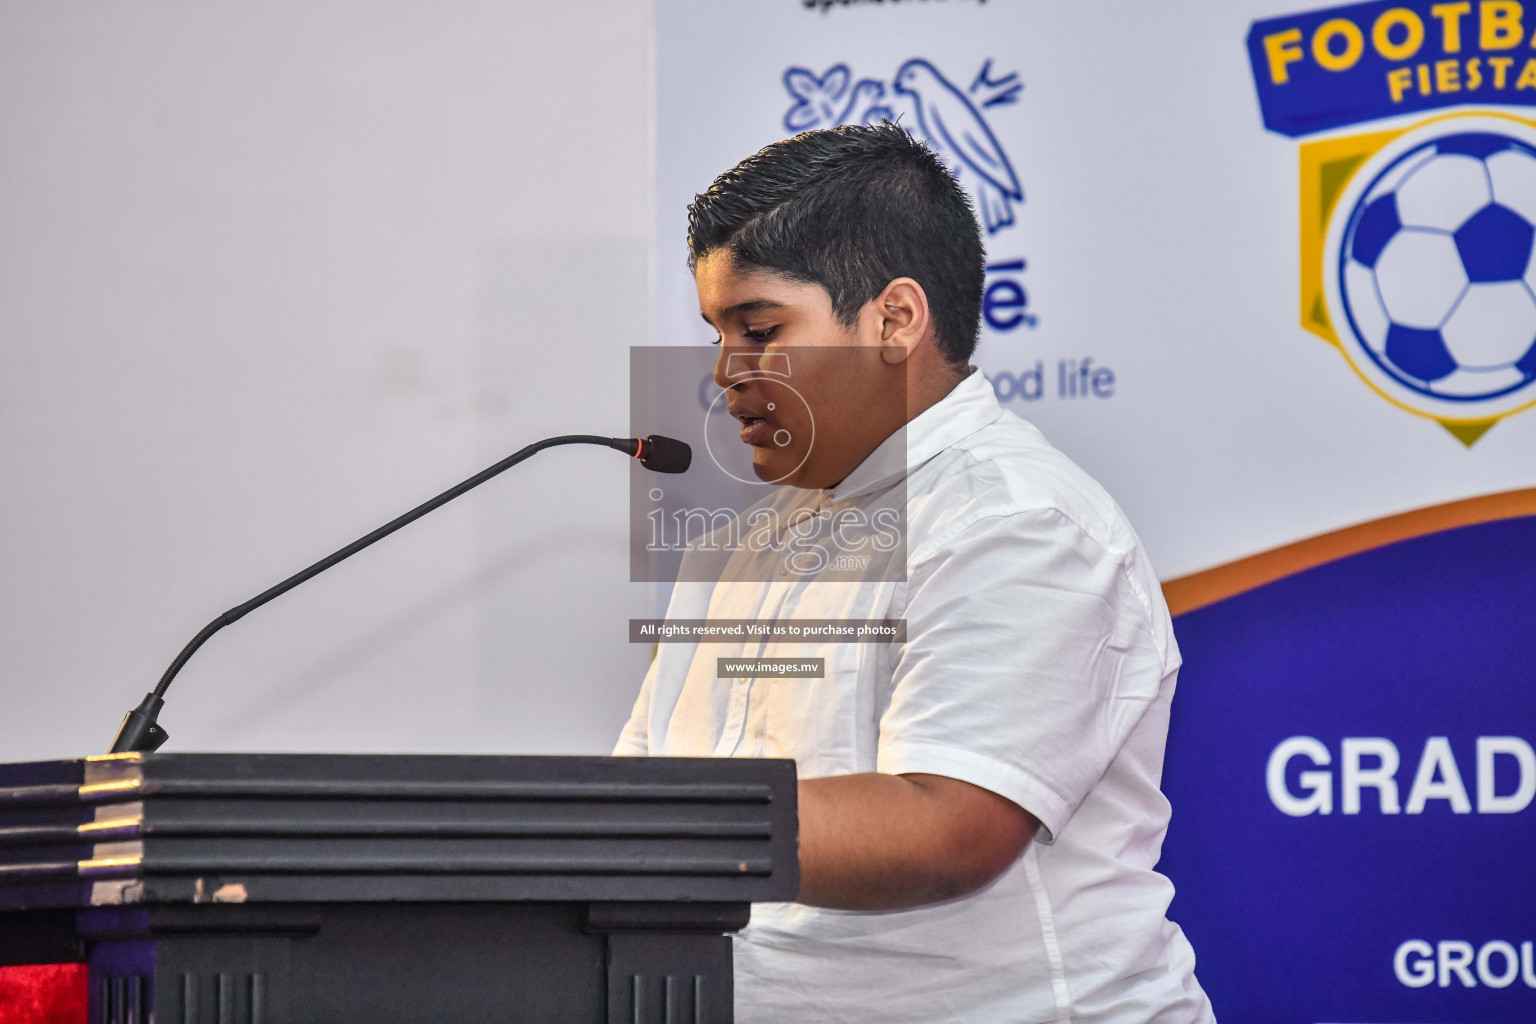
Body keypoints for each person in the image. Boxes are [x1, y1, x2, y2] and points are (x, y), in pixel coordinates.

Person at [615, 123, 1214, 1023]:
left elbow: (944, 829)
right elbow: (643, 788)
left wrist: (636, 831)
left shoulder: (1018, 520)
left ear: (894, 320)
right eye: (716, 335)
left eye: (759, 329)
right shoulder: (740, 540)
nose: (724, 373)